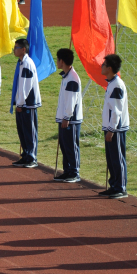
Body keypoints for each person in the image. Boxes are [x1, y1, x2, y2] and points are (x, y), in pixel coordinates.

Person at [100, 54, 129, 199]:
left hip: (116, 129)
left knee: (117, 158)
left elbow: (116, 110)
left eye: (104, 65)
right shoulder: (111, 83)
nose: (101, 66)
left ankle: (121, 187)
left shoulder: (117, 85)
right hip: (110, 127)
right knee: (111, 158)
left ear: (110, 68)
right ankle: (114, 185)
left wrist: (111, 129)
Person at [11, 39, 41, 168]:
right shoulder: (21, 63)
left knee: (29, 131)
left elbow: (27, 86)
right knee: (22, 131)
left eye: (16, 47)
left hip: (28, 104)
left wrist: (20, 103)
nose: (14, 50)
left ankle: (32, 157)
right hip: (22, 103)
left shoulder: (27, 64)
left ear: (23, 49)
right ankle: (25, 155)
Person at [55, 48, 83, 183]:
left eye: (57, 59)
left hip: (70, 120)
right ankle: (67, 171)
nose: (56, 62)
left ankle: (74, 172)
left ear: (62, 61)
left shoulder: (72, 78)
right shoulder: (66, 76)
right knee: (65, 146)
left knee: (71, 146)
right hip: (64, 118)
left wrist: (67, 117)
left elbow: (71, 100)